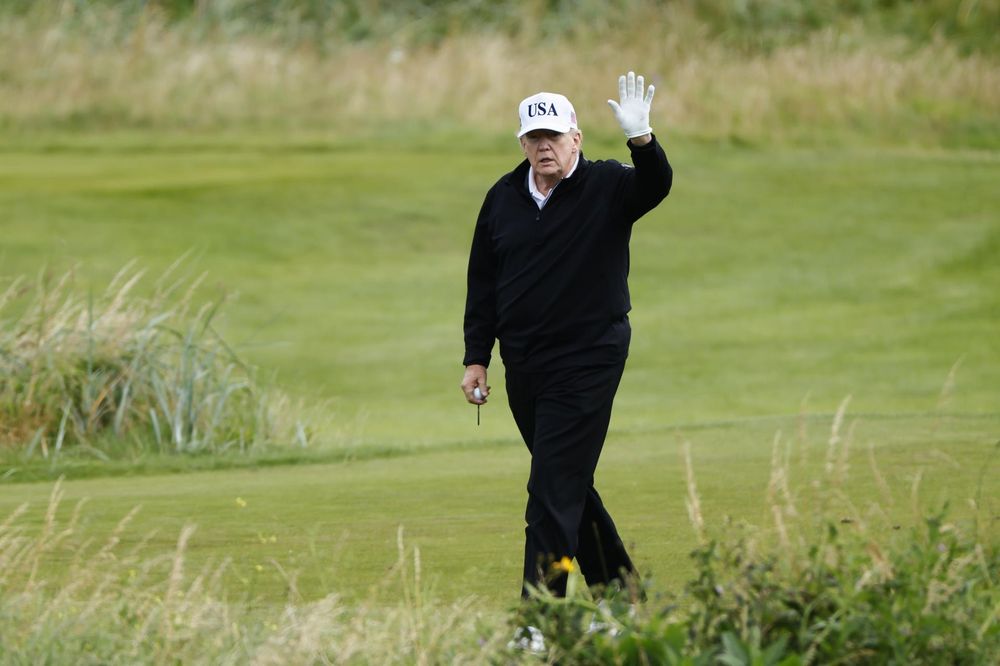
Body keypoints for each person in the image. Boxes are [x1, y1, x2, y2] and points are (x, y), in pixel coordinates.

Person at [461, 71, 673, 597]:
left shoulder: (608, 184)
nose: (544, 147)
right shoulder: (503, 197)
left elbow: (656, 185)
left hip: (588, 358)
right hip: (525, 364)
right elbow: (483, 283)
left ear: (575, 137)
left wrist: (641, 139)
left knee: (549, 490)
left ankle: (540, 613)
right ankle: (622, 594)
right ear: (522, 143)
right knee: (567, 480)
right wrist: (476, 357)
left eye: (553, 136)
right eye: (534, 138)